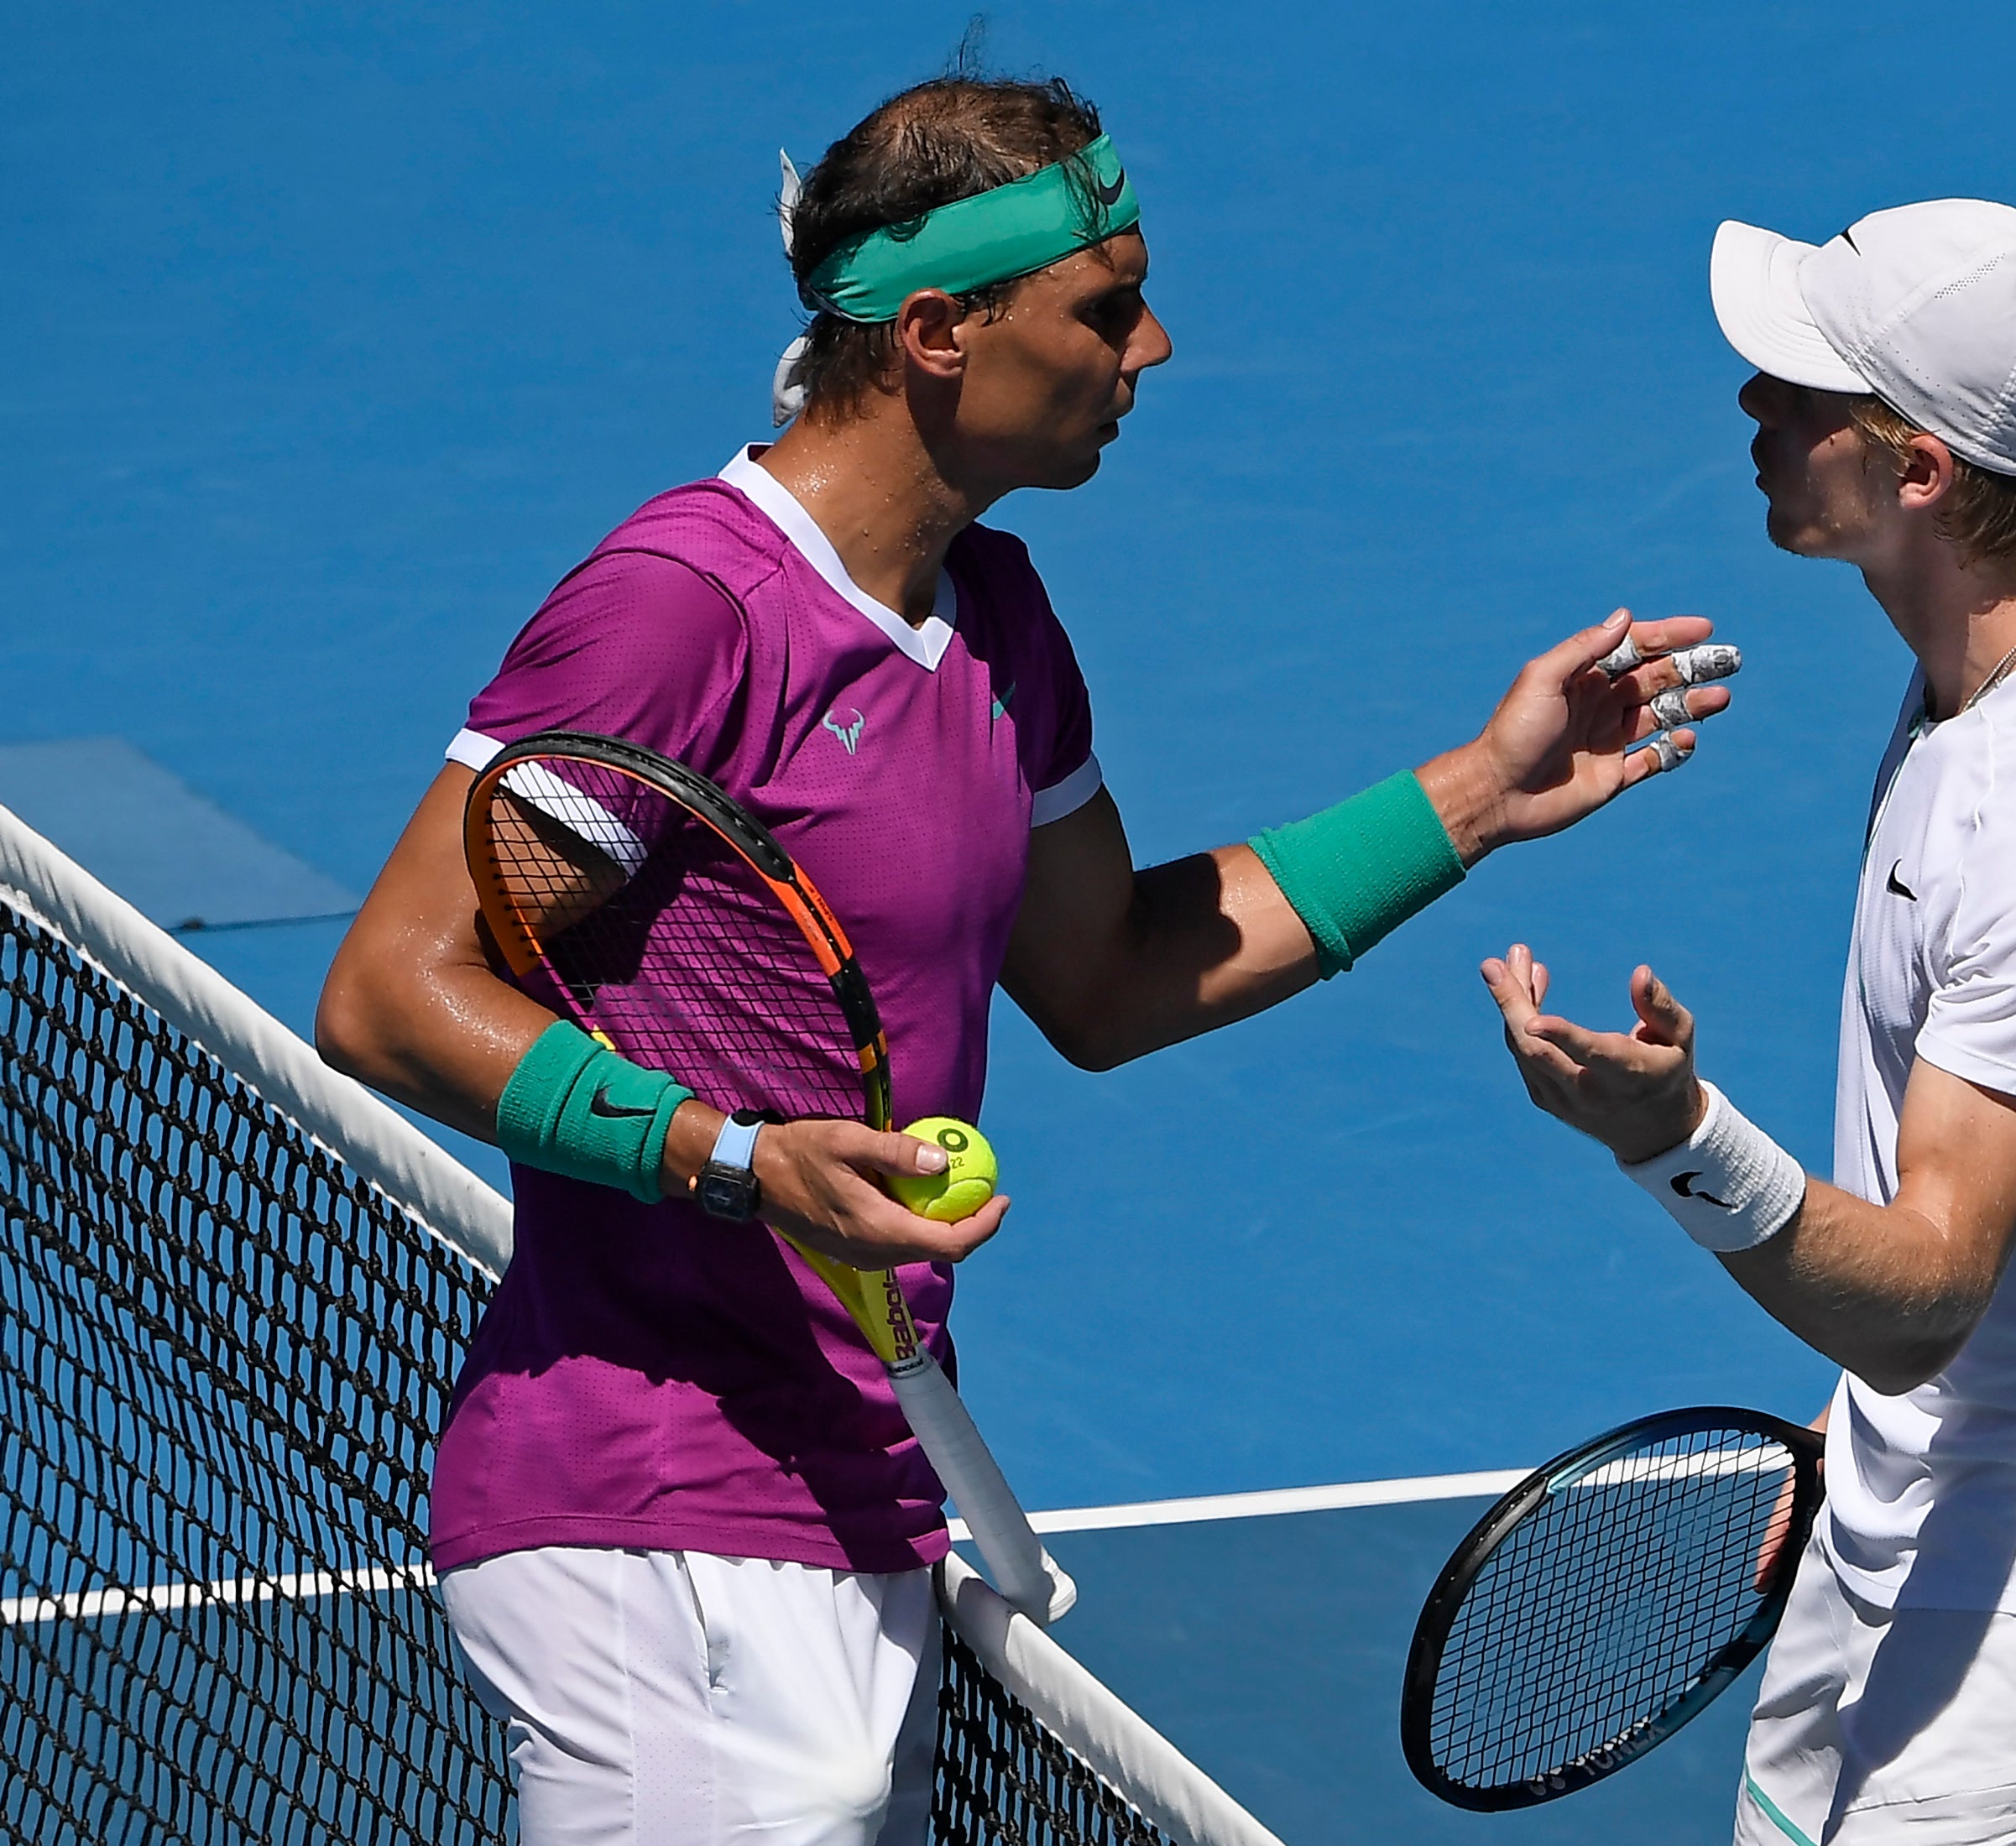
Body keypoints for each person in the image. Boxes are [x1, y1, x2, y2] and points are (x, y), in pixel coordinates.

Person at [315, 69, 1736, 1846]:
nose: (1154, 349)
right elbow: (394, 984)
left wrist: (1478, 793)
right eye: (1105, 304)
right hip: (646, 1507)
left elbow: (1115, 970)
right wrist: (738, 1160)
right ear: (933, 331)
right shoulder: (685, 613)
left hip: (867, 1486)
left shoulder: (995, 623)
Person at [1481, 199, 2016, 1844]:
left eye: (1799, 388)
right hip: (1906, 1476)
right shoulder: (2001, 653)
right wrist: (1857, 1430)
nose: (1750, 409)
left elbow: (1926, 1291)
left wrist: (1678, 1141)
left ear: (1918, 469)